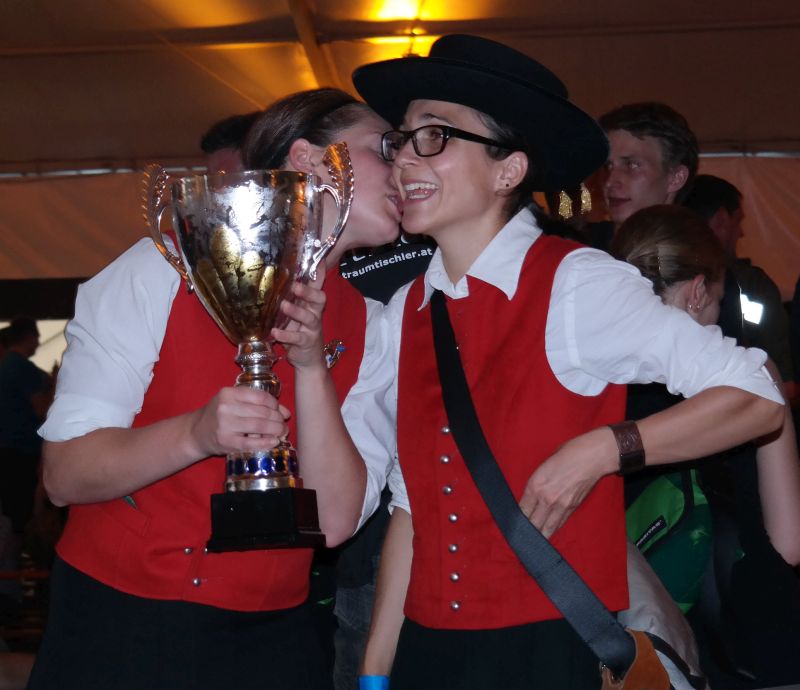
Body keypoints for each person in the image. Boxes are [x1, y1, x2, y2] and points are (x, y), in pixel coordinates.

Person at [349, 34, 784, 689]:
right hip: (428, 650)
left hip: (546, 649)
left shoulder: (575, 283)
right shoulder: (406, 309)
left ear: (508, 171)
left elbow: (755, 395)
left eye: (434, 135)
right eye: (402, 138)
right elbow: (413, 508)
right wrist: (376, 671)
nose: (405, 156)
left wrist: (605, 448)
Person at [27, 88, 401, 690]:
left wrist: (312, 369)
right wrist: (196, 434)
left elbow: (332, 523)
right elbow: (65, 475)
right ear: (309, 159)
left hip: (276, 631)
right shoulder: (160, 269)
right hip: (121, 616)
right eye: (385, 147)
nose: (404, 165)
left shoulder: (374, 324)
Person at [612, 204, 800, 687]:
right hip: (746, 634)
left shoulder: (590, 380)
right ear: (698, 291)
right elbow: (789, 539)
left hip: (636, 634)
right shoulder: (749, 376)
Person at [682, 174, 795, 388]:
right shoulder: (749, 284)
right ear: (721, 220)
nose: (741, 233)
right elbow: (783, 382)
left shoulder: (651, 274)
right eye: (738, 220)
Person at [585, 102, 698, 250]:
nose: (610, 181)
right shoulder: (578, 250)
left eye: (632, 165)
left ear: (676, 178)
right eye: (607, 166)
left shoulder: (697, 256)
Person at [0, 317, 51, 536]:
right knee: (24, 515)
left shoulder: (5, 365)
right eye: (36, 336)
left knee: (10, 514)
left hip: (6, 448)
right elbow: (42, 410)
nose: (38, 342)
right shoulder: (23, 368)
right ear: (29, 337)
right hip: (23, 452)